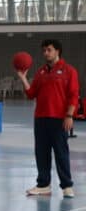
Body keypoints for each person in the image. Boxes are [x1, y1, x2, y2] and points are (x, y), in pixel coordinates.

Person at [16, 39, 79, 198]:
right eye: (44, 50)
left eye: (49, 50)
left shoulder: (69, 71)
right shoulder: (41, 72)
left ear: (57, 51)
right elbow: (31, 95)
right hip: (41, 119)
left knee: (61, 153)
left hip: (59, 119)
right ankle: (43, 185)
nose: (46, 53)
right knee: (41, 153)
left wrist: (69, 115)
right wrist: (23, 78)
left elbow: (73, 96)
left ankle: (67, 186)